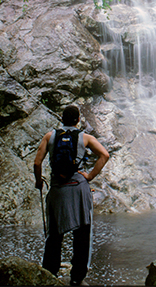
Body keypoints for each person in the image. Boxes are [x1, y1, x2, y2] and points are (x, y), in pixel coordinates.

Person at [34, 105, 110, 286]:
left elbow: (37, 163)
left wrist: (38, 182)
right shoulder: (85, 138)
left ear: (61, 118)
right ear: (78, 120)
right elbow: (105, 155)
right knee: (82, 234)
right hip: (78, 188)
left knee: (54, 234)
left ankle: (50, 273)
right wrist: (90, 176)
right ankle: (77, 278)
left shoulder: (49, 136)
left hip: (58, 190)